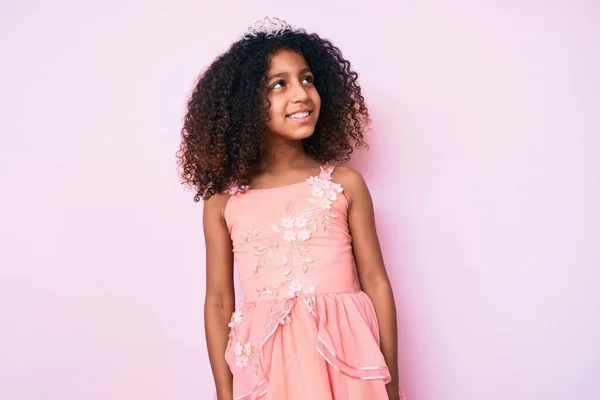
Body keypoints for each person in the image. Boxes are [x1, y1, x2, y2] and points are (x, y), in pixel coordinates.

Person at [177, 17, 407, 400]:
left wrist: (391, 379)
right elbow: (218, 301)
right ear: (245, 105)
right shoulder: (224, 202)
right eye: (278, 84)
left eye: (307, 79)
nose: (301, 94)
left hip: (347, 361)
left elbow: (377, 282)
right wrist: (224, 390)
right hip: (267, 366)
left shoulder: (342, 184)